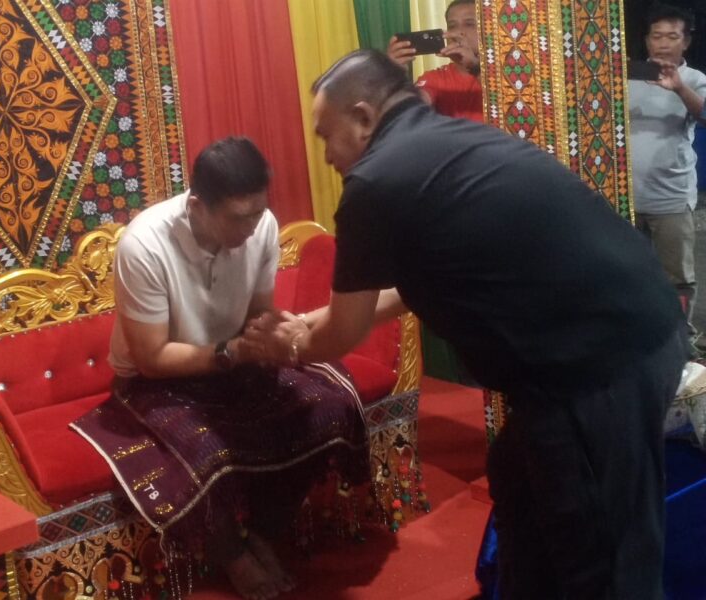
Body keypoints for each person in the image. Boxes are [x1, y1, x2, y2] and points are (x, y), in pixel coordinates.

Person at [248, 50, 687, 599]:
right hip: (634, 332)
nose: (328, 154)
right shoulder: (446, 143)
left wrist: (284, 346)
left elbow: (343, 333)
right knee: (520, 486)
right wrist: (306, 324)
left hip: (599, 368)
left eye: (325, 136)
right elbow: (407, 289)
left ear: (362, 117)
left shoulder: (376, 179)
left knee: (604, 561)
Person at [71, 137, 369, 600]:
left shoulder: (262, 226)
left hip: (230, 363)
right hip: (155, 381)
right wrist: (237, 351)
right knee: (208, 449)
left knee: (329, 407)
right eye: (238, 217)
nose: (252, 227)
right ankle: (232, 555)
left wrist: (276, 336)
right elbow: (151, 358)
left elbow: (257, 316)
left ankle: (264, 533)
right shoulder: (144, 245)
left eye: (258, 212)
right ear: (197, 206)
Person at [629, 3, 706, 351]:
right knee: (630, 273)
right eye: (656, 36)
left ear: (685, 42)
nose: (662, 43)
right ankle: (640, 339)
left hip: (671, 199)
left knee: (677, 279)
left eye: (672, 36)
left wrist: (678, 88)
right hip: (624, 199)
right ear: (647, 40)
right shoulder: (626, 77)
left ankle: (681, 343)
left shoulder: (695, 80)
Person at [387, 0, 483, 122]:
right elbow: (412, 109)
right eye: (452, 26)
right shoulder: (435, 78)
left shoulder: (503, 75)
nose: (459, 32)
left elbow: (505, 101)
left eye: (469, 24)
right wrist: (393, 76)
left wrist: (475, 69)